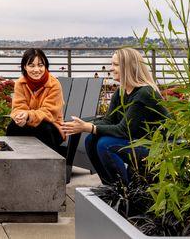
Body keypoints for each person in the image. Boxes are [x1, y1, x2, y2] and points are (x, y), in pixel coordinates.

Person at [61, 47, 168, 185]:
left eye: (116, 64)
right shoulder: (121, 92)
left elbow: (123, 130)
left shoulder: (144, 93)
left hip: (158, 148)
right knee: (91, 140)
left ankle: (124, 193)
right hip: (137, 141)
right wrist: (81, 126)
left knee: (105, 145)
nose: (111, 68)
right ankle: (111, 186)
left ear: (129, 67)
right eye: (112, 64)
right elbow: (109, 120)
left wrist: (88, 127)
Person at [6, 48, 65, 152]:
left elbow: (49, 113)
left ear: (45, 66)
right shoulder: (20, 83)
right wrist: (20, 117)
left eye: (40, 65)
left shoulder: (54, 84)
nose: (36, 70)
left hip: (52, 127)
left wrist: (28, 115)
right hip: (29, 124)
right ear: (25, 66)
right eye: (31, 65)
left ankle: (50, 165)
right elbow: (18, 107)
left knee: (43, 127)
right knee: (13, 126)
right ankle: (14, 162)